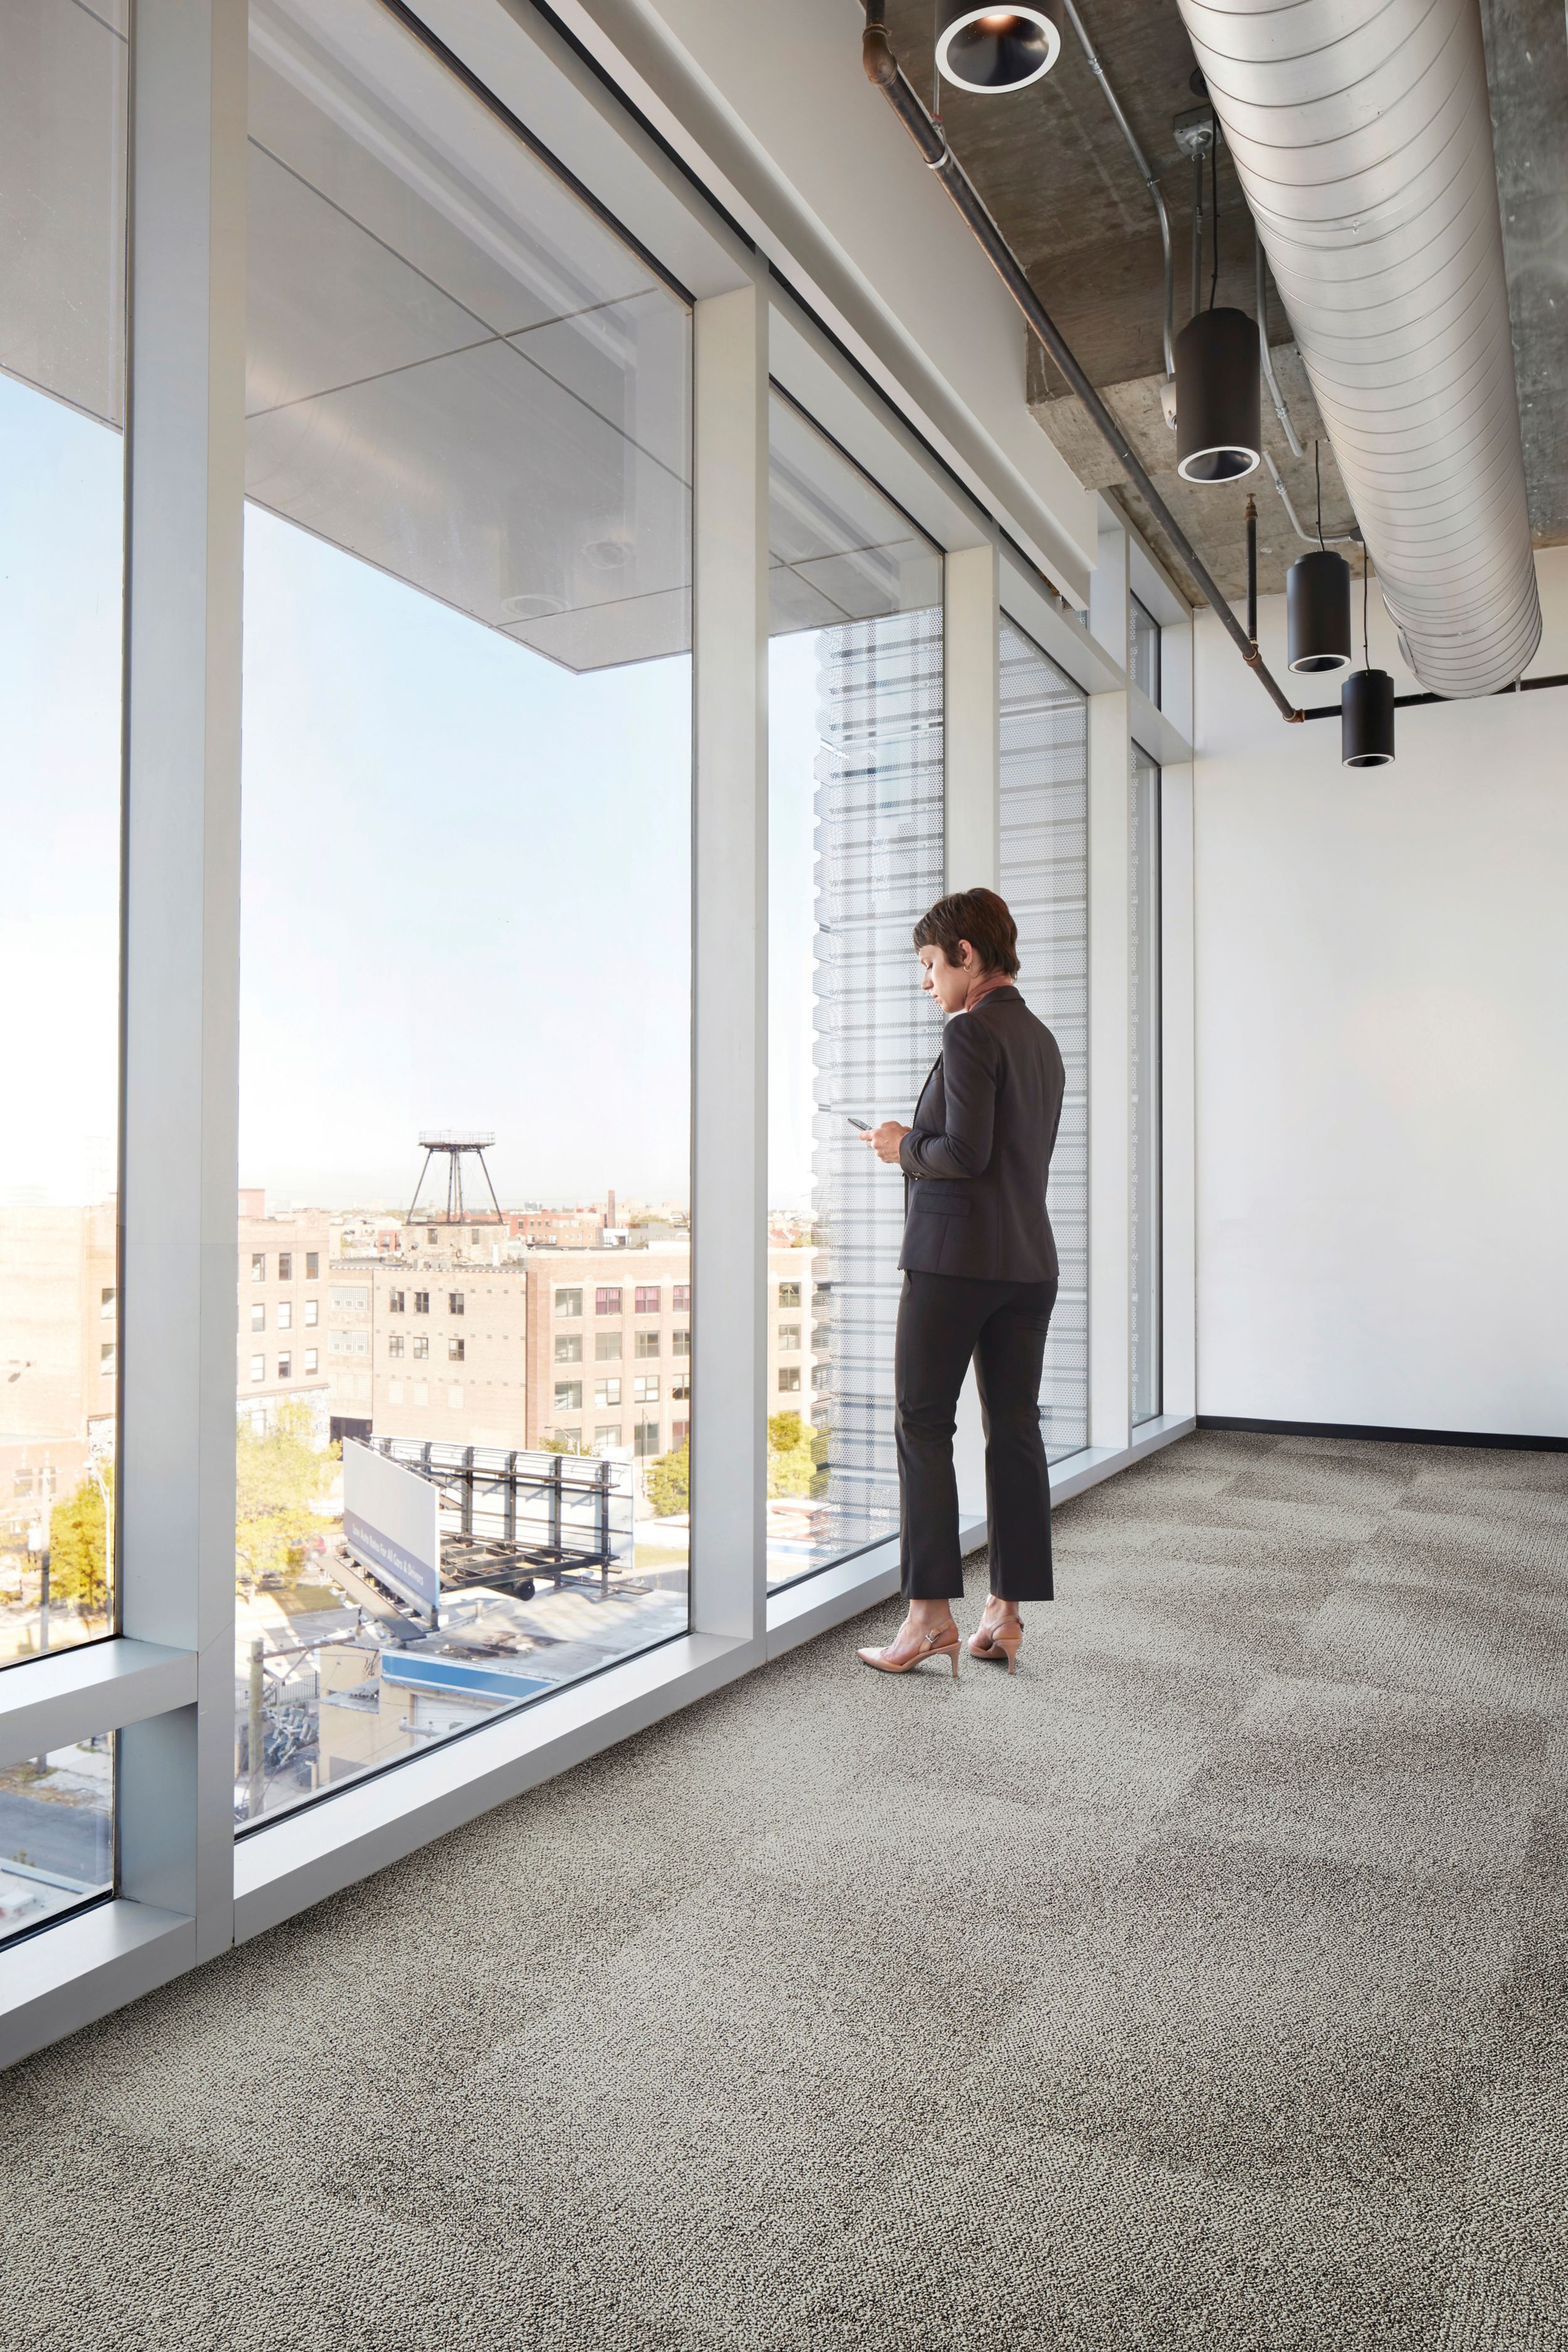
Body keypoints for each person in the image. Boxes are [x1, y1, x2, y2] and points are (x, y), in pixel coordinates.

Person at [856, 887, 1064, 1679]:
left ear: (966, 957)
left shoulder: (970, 1029)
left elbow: (965, 1153)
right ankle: (1004, 1616)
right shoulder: (1041, 1040)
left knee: (922, 1426)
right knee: (1014, 1430)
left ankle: (926, 1618)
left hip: (954, 1265)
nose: (926, 982)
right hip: (1028, 1264)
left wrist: (901, 1143)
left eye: (929, 965)